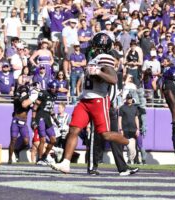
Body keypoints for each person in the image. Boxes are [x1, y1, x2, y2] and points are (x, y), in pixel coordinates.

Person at [51, 33, 129, 174]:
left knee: (105, 134)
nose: (93, 47)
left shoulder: (105, 57)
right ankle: (65, 163)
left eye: (95, 45)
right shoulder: (95, 57)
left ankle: (128, 143)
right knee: (73, 129)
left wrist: (98, 72)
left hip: (98, 100)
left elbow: (113, 79)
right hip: (84, 100)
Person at [8, 85, 39, 164]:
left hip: (24, 122)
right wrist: (28, 96)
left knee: (26, 141)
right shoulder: (18, 97)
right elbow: (19, 102)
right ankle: (10, 158)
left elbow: (35, 107)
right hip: (16, 120)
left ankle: (17, 150)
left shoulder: (28, 99)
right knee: (13, 140)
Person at [31, 80, 59, 165]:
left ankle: (44, 156)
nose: (54, 89)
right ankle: (39, 159)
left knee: (53, 140)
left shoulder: (54, 96)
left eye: (55, 88)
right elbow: (35, 107)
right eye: (53, 88)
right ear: (50, 87)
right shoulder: (43, 93)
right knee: (42, 139)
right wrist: (33, 120)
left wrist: (55, 120)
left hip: (47, 118)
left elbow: (50, 109)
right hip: (40, 117)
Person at [118, 93, 139, 165]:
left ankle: (131, 159)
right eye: (128, 98)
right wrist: (120, 129)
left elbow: (136, 118)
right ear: (126, 99)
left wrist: (138, 129)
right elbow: (120, 119)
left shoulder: (135, 108)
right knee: (122, 146)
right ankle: (121, 161)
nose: (129, 100)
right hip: (125, 129)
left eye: (130, 98)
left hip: (133, 129)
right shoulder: (122, 108)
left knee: (132, 147)